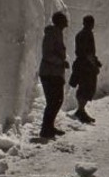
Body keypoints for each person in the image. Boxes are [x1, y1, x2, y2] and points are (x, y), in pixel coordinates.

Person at [38, 11, 68, 139]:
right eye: (65, 20)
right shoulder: (52, 34)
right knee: (53, 101)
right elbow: (47, 54)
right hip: (50, 73)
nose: (67, 23)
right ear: (60, 22)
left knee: (56, 101)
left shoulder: (57, 33)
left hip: (54, 73)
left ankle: (49, 127)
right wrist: (61, 62)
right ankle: (45, 130)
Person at [69, 14, 101, 124]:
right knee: (87, 88)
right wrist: (94, 64)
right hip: (86, 66)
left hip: (81, 64)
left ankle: (81, 110)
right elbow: (88, 53)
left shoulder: (80, 34)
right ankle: (81, 111)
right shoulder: (87, 34)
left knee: (83, 88)